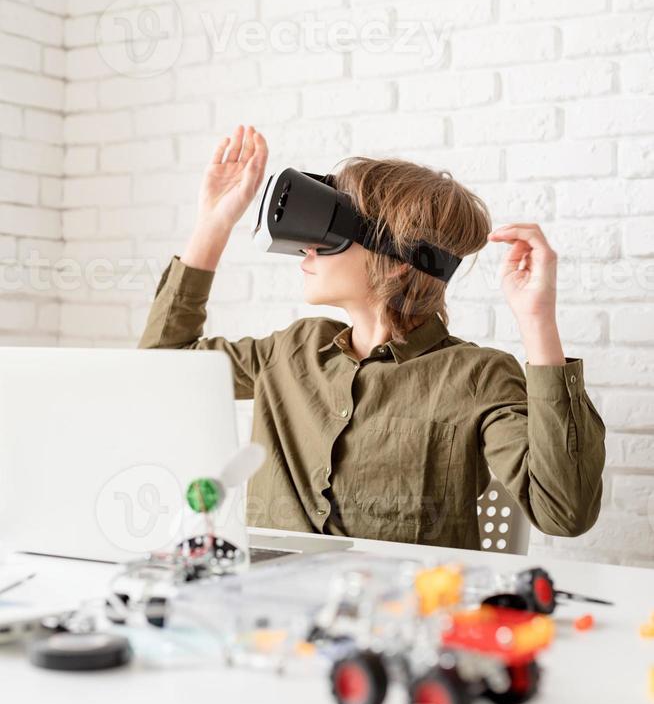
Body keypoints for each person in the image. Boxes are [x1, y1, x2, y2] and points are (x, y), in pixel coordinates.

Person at [138, 123, 606, 549]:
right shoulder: (291, 351)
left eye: (328, 230)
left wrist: (537, 321)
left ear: (400, 255)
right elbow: (162, 369)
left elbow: (563, 512)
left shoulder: (477, 377)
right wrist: (213, 223)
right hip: (266, 619)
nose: (306, 247)